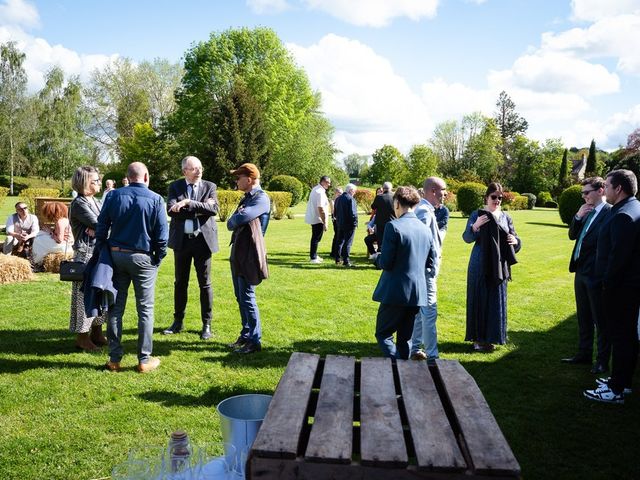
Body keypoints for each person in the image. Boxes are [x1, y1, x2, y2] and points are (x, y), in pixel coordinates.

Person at [96, 162, 169, 373]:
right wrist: (157, 258)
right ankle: (144, 360)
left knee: (115, 308)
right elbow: (162, 236)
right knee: (145, 309)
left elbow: (102, 226)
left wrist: (104, 249)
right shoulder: (156, 199)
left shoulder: (113, 196)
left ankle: (114, 359)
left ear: (127, 177)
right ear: (146, 177)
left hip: (117, 255)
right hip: (143, 257)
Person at [584, 169, 640, 404]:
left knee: (621, 338)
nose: (604, 190)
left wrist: (606, 285)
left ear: (618, 188)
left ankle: (616, 389)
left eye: (607, 186)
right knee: (626, 338)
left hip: (621, 290)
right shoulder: (632, 208)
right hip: (627, 288)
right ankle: (622, 382)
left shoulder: (623, 216)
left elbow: (618, 258)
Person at [162, 156, 219, 340]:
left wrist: (187, 203)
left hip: (203, 241)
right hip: (182, 242)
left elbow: (213, 209)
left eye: (200, 168)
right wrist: (202, 207)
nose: (199, 171)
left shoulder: (209, 186)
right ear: (184, 171)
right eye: (194, 168)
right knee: (180, 283)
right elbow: (171, 210)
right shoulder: (175, 186)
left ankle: (207, 325)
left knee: (205, 284)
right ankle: (177, 321)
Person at [372, 186, 433, 360]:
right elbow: (430, 262)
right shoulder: (426, 230)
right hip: (417, 292)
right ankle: (404, 376)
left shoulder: (393, 226)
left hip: (395, 291)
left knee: (383, 334)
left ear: (397, 203)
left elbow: (386, 263)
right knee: (405, 338)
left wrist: (377, 257)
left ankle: (398, 366)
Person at [462, 182, 521, 352]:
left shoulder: (506, 217)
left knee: (496, 300)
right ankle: (478, 339)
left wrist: (515, 241)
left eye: (500, 198)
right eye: (493, 197)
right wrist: (475, 226)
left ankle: (493, 337)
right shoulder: (477, 214)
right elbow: (467, 237)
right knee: (479, 298)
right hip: (479, 262)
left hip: (499, 263)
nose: (497, 200)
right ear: (486, 198)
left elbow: (515, 241)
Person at [562, 177, 611, 373]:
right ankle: (583, 354)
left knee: (600, 320)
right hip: (580, 271)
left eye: (586, 192)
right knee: (583, 316)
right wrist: (578, 216)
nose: (583, 196)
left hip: (596, 273)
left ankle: (601, 361)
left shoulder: (610, 213)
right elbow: (573, 235)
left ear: (601, 191)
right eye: (582, 193)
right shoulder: (587, 211)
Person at [226, 163, 270, 355]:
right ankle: (245, 335)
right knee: (240, 297)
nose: (236, 180)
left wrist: (237, 216)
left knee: (247, 297)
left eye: (238, 177)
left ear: (250, 179)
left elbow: (239, 219)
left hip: (250, 254)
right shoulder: (248, 198)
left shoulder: (261, 198)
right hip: (239, 252)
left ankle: (254, 340)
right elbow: (230, 222)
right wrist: (237, 217)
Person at [68, 166, 108, 352]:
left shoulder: (95, 201)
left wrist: (101, 228)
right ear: (85, 183)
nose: (99, 183)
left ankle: (97, 332)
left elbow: (106, 223)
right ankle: (82, 337)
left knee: (100, 293)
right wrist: (101, 228)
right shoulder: (79, 204)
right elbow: (100, 225)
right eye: (95, 180)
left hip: (99, 252)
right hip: (85, 255)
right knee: (84, 296)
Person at [410, 177, 448, 362]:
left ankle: (415, 349)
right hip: (426, 273)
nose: (446, 194)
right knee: (430, 312)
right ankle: (432, 356)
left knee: (420, 313)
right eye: (443, 190)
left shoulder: (424, 209)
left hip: (423, 271)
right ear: (433, 191)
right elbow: (419, 240)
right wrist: (428, 266)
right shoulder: (424, 211)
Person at [31, 201, 74, 266]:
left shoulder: (60, 222)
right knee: (41, 234)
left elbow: (59, 240)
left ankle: (37, 261)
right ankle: (38, 261)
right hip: (65, 245)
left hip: (64, 246)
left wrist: (50, 232)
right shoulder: (63, 220)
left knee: (38, 239)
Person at [305, 175, 331, 264]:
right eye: (328, 182)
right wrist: (325, 222)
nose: (329, 184)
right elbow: (321, 208)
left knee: (316, 238)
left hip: (315, 217)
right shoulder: (320, 192)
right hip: (318, 218)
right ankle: (313, 258)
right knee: (316, 238)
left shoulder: (316, 189)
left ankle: (314, 255)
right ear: (323, 182)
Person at [334, 183, 358, 267]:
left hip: (340, 223)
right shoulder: (350, 199)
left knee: (339, 242)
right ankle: (346, 261)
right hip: (349, 224)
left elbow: (335, 212)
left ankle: (337, 259)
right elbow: (353, 214)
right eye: (354, 191)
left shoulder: (338, 199)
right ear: (351, 190)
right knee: (348, 243)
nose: (354, 193)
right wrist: (355, 224)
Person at [371, 182, 396, 250]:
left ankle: (380, 257)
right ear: (391, 188)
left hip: (380, 222)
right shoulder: (395, 197)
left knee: (380, 241)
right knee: (391, 240)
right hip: (392, 221)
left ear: (383, 188)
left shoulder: (379, 197)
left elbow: (373, 207)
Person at [329, 187, 343, 261]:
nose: (340, 194)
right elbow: (333, 211)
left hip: (340, 218)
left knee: (338, 235)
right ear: (336, 193)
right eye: (339, 193)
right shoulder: (333, 201)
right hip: (335, 218)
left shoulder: (340, 200)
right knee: (337, 235)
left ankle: (336, 251)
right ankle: (334, 252)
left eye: (341, 193)